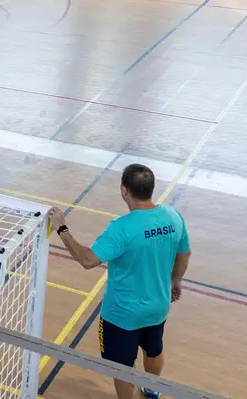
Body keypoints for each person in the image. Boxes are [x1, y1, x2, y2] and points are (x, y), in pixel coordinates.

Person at [48, 164, 191, 399]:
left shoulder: (121, 228)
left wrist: (62, 228)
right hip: (158, 306)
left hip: (122, 315)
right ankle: (152, 389)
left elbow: (87, 259)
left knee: (122, 368)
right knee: (154, 349)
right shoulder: (173, 216)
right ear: (151, 189)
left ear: (124, 191)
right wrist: (176, 280)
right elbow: (185, 254)